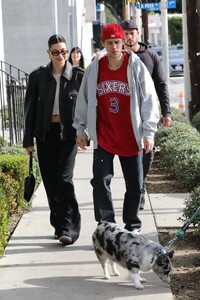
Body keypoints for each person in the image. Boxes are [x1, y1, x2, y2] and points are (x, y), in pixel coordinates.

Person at [73, 23, 159, 232]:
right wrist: (80, 128)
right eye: (109, 43)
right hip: (104, 136)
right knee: (100, 182)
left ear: (123, 43)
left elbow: (149, 99)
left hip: (131, 136)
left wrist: (149, 132)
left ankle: (132, 225)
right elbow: (83, 99)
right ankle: (107, 224)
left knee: (134, 184)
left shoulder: (135, 65)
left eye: (117, 42)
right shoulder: (95, 67)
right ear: (104, 44)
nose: (114, 47)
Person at [23, 34, 85, 245]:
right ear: (48, 53)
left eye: (64, 51)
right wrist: (27, 140)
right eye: (56, 52)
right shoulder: (37, 77)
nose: (61, 55)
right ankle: (59, 225)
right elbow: (29, 110)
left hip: (68, 135)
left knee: (64, 179)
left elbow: (86, 109)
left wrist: (84, 134)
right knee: (50, 182)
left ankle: (69, 226)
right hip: (45, 134)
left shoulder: (78, 76)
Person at [121, 20, 172, 210]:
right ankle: (134, 188)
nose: (129, 36)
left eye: (132, 32)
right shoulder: (118, 56)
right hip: (125, 116)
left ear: (138, 34)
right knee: (129, 154)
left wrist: (166, 111)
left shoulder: (149, 55)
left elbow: (161, 84)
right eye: (125, 32)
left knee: (147, 150)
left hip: (146, 113)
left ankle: (140, 187)